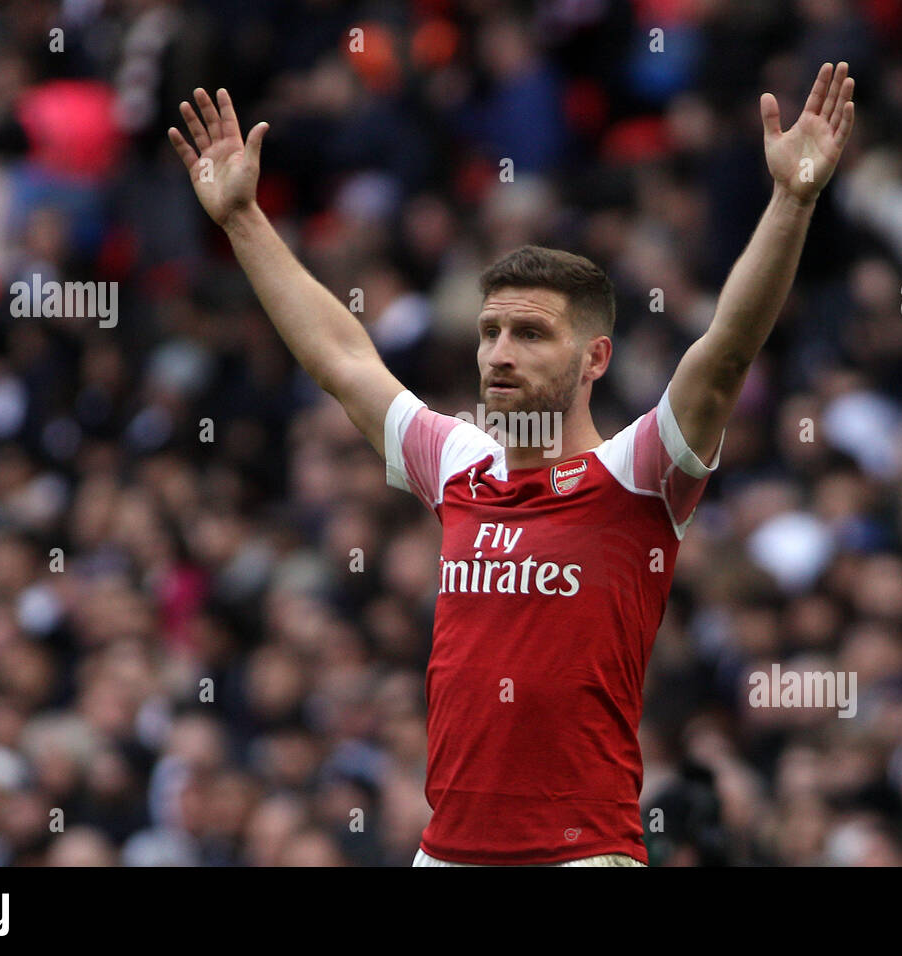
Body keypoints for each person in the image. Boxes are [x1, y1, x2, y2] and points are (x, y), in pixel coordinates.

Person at [167, 62, 856, 866]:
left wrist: (792, 200)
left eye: (530, 335)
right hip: (445, 853)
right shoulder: (461, 463)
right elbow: (342, 360)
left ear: (594, 357)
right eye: (490, 331)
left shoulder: (638, 473)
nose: (500, 353)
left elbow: (729, 349)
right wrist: (244, 217)